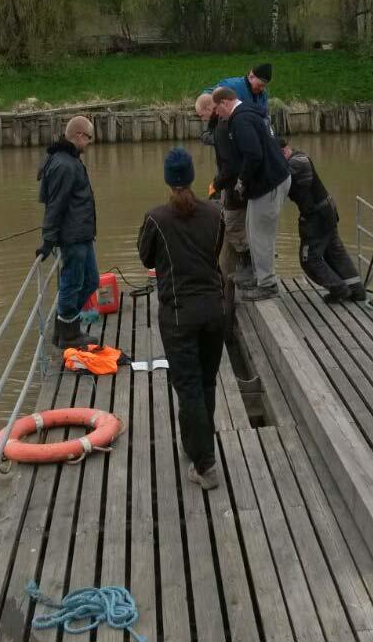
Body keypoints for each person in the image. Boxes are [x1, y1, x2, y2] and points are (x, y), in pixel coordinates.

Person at [137, 148, 225, 490]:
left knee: (188, 386)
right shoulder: (215, 213)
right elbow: (216, 251)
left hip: (178, 316)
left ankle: (205, 466)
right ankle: (196, 445)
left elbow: (146, 256)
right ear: (190, 175)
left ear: (167, 179)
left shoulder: (156, 218)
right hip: (215, 311)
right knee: (206, 383)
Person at [212, 86, 291, 301]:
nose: (217, 115)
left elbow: (253, 154)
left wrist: (242, 180)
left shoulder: (240, 120)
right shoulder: (248, 111)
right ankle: (258, 275)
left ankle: (267, 284)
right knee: (251, 228)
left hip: (269, 184)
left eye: (217, 110)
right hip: (273, 180)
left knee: (260, 236)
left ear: (225, 103)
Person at [36, 115, 100, 349]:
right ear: (79, 136)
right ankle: (68, 335)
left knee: (91, 280)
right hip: (72, 236)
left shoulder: (69, 160)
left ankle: (64, 325)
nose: (90, 143)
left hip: (82, 233)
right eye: (89, 138)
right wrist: (48, 240)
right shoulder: (64, 164)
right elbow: (55, 204)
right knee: (72, 283)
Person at [280, 138, 366, 303]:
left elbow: (276, 177)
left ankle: (340, 290)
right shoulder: (298, 158)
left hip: (317, 217)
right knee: (335, 253)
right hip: (325, 213)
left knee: (309, 259)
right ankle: (356, 290)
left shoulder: (298, 162)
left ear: (283, 152)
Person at [194, 92, 250, 282]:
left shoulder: (221, 128)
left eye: (202, 115)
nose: (202, 119)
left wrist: (216, 185)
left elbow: (230, 165)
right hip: (231, 184)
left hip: (234, 187)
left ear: (211, 109)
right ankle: (240, 267)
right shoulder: (222, 125)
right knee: (232, 227)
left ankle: (249, 265)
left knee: (234, 226)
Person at [204, 63, 272, 111]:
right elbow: (207, 95)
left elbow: (263, 115)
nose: (262, 89)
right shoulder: (231, 86)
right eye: (259, 85)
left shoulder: (263, 95)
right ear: (251, 77)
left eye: (264, 86)